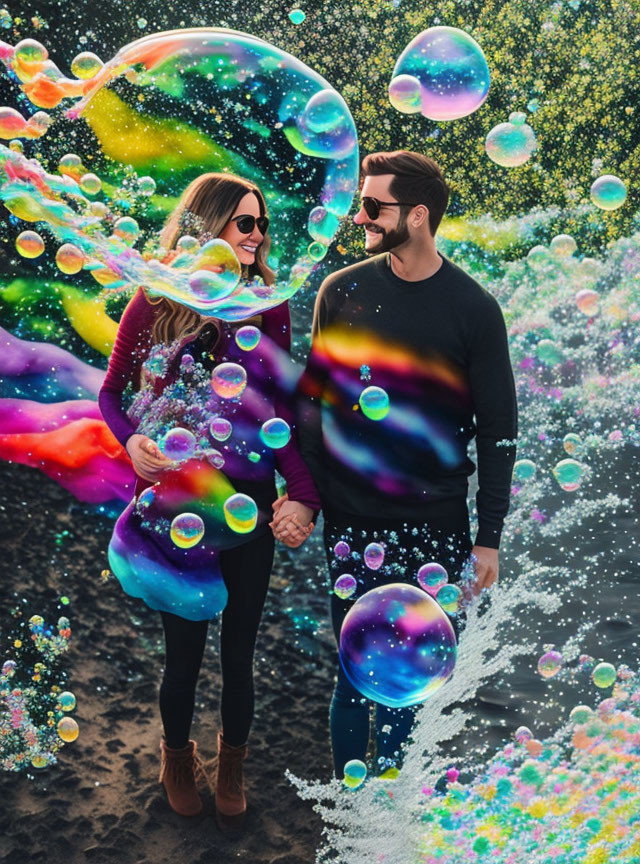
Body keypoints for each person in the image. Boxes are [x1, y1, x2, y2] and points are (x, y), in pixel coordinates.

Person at [287, 150, 518, 778]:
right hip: (353, 518)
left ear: (417, 217)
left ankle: (387, 811)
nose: (359, 216)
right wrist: (306, 495)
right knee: (352, 673)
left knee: (410, 678)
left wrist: (487, 537)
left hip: (436, 524)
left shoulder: (474, 311)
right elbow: (311, 403)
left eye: (372, 206)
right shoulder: (343, 291)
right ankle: (348, 817)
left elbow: (499, 432)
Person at [99, 173, 320, 827]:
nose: (256, 236)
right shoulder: (155, 302)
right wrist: (133, 441)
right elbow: (113, 394)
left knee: (241, 649)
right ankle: (175, 756)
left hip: (248, 500)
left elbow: (276, 409)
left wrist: (301, 493)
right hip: (175, 508)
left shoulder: (266, 306)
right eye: (243, 223)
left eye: (262, 225)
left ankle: (230, 765)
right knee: (184, 652)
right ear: (209, 228)